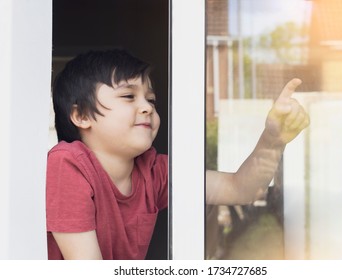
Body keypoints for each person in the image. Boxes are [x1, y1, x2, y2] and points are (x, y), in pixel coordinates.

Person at [46, 49, 309, 260]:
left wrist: (273, 140)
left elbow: (241, 188)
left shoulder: (154, 171)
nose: (147, 107)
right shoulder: (67, 164)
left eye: (151, 100)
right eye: (128, 96)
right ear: (80, 115)